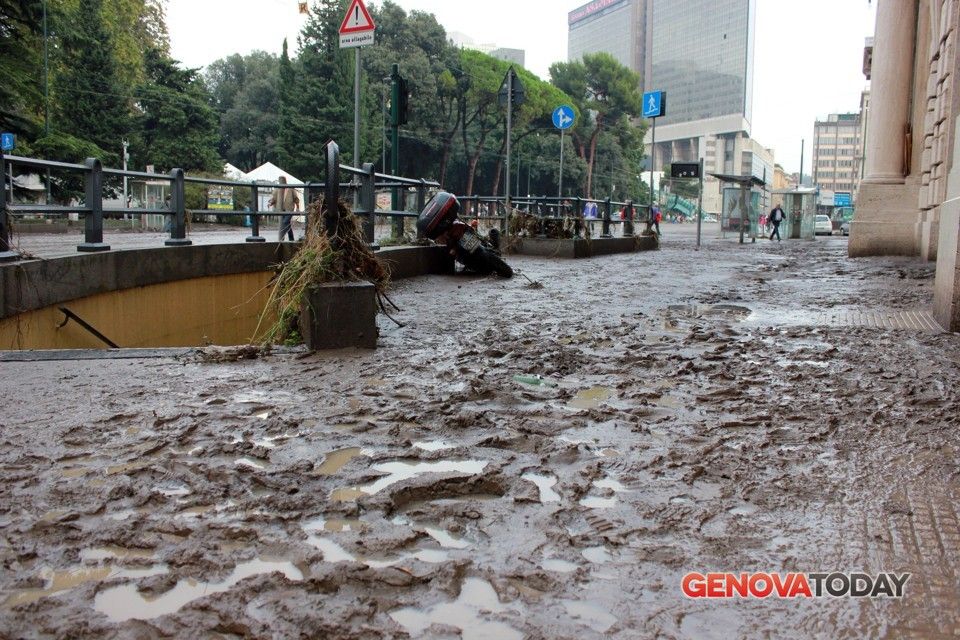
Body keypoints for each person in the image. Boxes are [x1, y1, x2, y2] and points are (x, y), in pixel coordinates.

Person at [268, 176, 300, 241]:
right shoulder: (277, 189)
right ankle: (290, 238)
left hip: (289, 209)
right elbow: (274, 198)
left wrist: (297, 208)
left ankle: (282, 238)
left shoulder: (290, 189)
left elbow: (296, 199)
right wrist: (270, 203)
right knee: (286, 224)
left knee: (285, 222)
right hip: (280, 209)